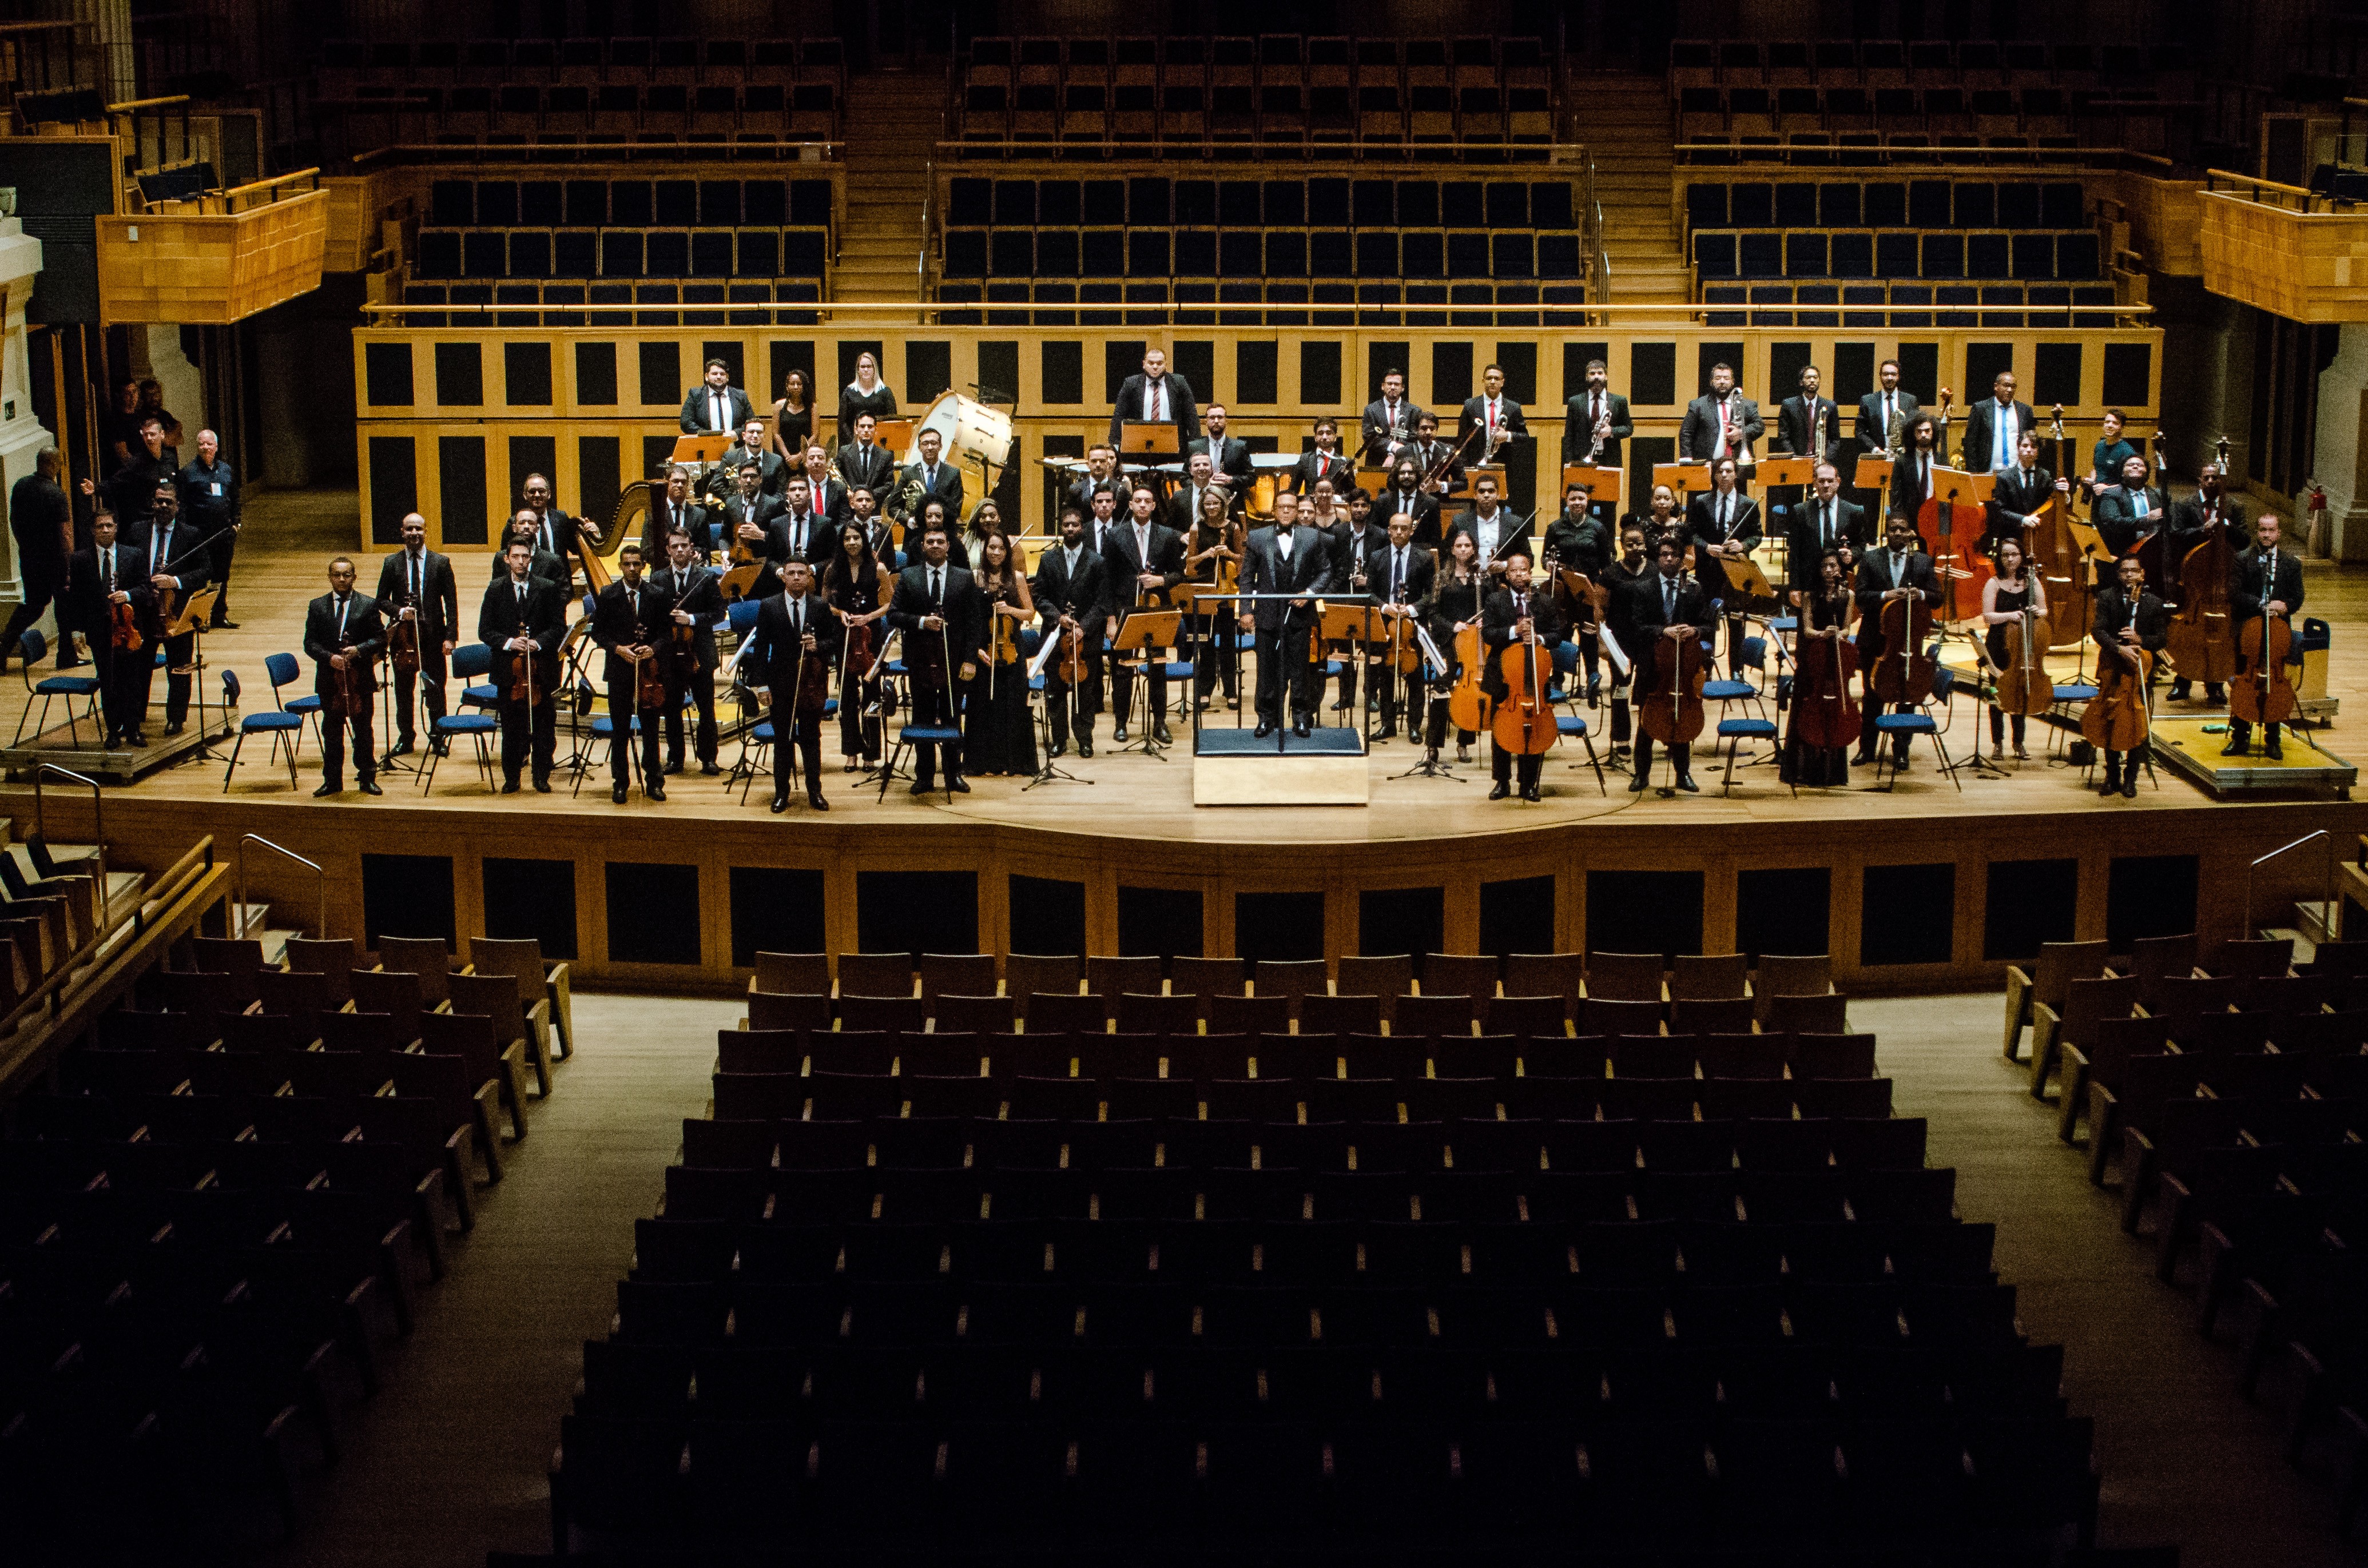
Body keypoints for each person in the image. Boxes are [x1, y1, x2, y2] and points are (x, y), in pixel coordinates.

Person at [887, 522, 982, 794]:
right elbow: (893, 615)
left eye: (940, 542)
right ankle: (925, 776)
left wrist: (970, 660)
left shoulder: (964, 577)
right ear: (922, 546)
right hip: (919, 660)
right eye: (930, 542)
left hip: (954, 661)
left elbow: (974, 624)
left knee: (952, 717)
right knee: (923, 715)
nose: (935, 546)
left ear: (948, 546)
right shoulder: (909, 576)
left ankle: (954, 774)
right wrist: (920, 622)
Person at [1852, 514, 1942, 770]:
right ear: (1886, 532)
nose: (1898, 534)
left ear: (1910, 533)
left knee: (1906, 696)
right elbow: (1860, 597)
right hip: (1875, 642)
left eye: (1903, 529)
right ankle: (1866, 749)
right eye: (1893, 529)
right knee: (1872, 697)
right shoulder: (1870, 559)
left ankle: (1902, 750)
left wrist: (1921, 594)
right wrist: (1886, 595)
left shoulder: (1922, 562)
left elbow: (1938, 598)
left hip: (1908, 643)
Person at [749, 558, 840, 812]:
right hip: (780, 683)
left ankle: (815, 791)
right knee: (783, 739)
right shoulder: (769, 606)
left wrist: (817, 646)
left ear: (809, 577)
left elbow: (834, 640)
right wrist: (761, 685)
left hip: (811, 682)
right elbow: (761, 649)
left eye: (802, 573)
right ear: (784, 577)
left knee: (812, 737)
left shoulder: (821, 606)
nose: (797, 577)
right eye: (792, 573)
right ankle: (781, 793)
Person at [1239, 498, 1332, 738]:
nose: (1288, 510)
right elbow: (1247, 578)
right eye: (1283, 506)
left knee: (1300, 670)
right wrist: (1246, 610)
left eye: (1293, 507)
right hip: (1268, 615)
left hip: (1300, 615)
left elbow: (1326, 571)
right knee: (1266, 670)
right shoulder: (1257, 537)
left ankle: (1301, 718)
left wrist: (1310, 594)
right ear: (1274, 510)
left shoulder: (1312, 537)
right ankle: (1266, 718)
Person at [1102, 483, 1185, 746]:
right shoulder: (1115, 536)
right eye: (1137, 500)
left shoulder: (1168, 535)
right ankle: (1120, 724)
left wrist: (1161, 580)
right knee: (1122, 670)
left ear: (1154, 505)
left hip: (1156, 607)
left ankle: (1160, 723)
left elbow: (1178, 573)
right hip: (1124, 610)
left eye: (1147, 501)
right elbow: (1107, 580)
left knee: (1158, 667)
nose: (1142, 505)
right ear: (1130, 505)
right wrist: (1111, 620)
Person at [479, 536, 565, 792]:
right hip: (509, 672)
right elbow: (485, 631)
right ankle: (512, 778)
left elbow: (558, 627)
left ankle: (541, 777)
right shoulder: (496, 589)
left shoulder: (547, 587)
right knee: (511, 728)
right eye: (515, 556)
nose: (520, 561)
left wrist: (537, 643)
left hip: (541, 671)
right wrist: (509, 643)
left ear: (531, 559)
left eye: (525, 556)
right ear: (507, 559)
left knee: (543, 729)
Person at [1627, 535, 1710, 793]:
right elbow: (1637, 627)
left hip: (1684, 666)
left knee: (1682, 719)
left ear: (1681, 558)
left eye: (1674, 555)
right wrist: (1663, 631)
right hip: (1653, 664)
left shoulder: (1694, 589)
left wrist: (1694, 630)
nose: (1669, 559)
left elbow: (1709, 625)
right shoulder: (1644, 588)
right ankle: (1641, 774)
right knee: (1646, 722)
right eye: (1664, 554)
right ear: (1657, 557)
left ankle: (1682, 774)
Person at [590, 543, 670, 803]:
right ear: (621, 566)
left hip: (649, 672)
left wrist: (654, 648)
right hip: (620, 671)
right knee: (620, 730)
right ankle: (620, 783)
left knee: (650, 730)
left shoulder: (657, 594)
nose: (633, 569)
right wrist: (617, 649)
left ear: (644, 566)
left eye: (637, 564)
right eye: (628, 564)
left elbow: (667, 633)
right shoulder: (608, 594)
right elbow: (598, 634)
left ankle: (655, 782)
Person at [374, 512, 458, 761]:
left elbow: (451, 603)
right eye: (409, 529)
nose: (414, 533)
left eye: (419, 529)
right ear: (402, 532)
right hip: (403, 638)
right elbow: (380, 599)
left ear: (425, 531)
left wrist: (451, 637)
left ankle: (438, 737)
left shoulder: (440, 562)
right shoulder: (392, 563)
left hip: (433, 637)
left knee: (436, 688)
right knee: (403, 690)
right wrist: (400, 611)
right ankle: (406, 738)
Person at [1481, 553, 1564, 802]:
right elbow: (1488, 634)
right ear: (1507, 575)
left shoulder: (1545, 602)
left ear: (1531, 573)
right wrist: (1513, 631)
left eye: (1524, 570)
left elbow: (1558, 635)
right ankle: (1502, 782)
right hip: (1503, 674)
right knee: (1502, 728)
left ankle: (1528, 783)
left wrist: (1538, 638)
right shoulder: (1496, 600)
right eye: (1514, 571)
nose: (1519, 575)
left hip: (1534, 675)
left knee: (1534, 728)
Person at [127, 480, 207, 736]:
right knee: (140, 665)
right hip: (143, 611)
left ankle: (176, 719)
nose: (163, 506)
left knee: (180, 667)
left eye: (168, 502)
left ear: (177, 506)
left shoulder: (191, 534)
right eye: (159, 501)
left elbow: (205, 571)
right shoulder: (136, 531)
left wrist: (175, 581)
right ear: (153, 503)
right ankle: (136, 715)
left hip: (176, 613)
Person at [2224, 512, 2305, 760]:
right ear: (2257, 532)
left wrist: (2285, 606)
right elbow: (2234, 593)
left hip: (2277, 634)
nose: (2267, 535)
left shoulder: (2292, 563)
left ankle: (2273, 739)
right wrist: (2262, 604)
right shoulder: (2242, 559)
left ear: (2279, 533)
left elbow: (2297, 598)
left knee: (2273, 686)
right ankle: (2239, 738)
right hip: (2247, 630)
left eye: (2271, 530)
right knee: (2243, 684)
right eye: (2262, 530)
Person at [2165, 462, 2244, 703]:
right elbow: (2176, 534)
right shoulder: (2184, 504)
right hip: (2192, 579)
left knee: (2221, 632)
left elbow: (2245, 541)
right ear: (2200, 480)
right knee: (2187, 634)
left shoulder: (2234, 507)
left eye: (2215, 478)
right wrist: (2203, 529)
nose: (2211, 482)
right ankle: (2182, 682)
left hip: (2221, 583)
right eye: (2206, 478)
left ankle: (2216, 684)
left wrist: (2225, 526)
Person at [1035, 505, 1109, 758]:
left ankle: (1085, 739)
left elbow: (1103, 602)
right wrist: (1059, 618)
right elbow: (1040, 596)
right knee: (1055, 692)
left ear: (1082, 528)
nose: (1070, 529)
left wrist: (1083, 627)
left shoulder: (1097, 561)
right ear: (1061, 529)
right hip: (1056, 637)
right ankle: (1059, 740)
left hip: (1086, 638)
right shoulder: (1048, 559)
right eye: (1066, 525)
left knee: (1085, 693)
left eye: (1075, 525)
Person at [2091, 552, 2167, 798]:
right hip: (2113, 667)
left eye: (2134, 571)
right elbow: (2098, 631)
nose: (2130, 575)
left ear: (2142, 573)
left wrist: (2141, 640)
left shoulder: (2154, 603)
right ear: (2119, 574)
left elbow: (2162, 638)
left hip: (2140, 672)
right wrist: (2119, 647)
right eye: (2125, 571)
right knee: (2110, 720)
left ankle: (2131, 778)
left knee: (2136, 724)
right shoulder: (2107, 597)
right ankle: (2111, 775)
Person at [966, 527, 1038, 777]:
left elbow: (1030, 613)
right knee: (983, 706)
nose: (996, 552)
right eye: (991, 548)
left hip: (1011, 650)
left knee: (1014, 706)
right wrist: (974, 650)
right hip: (983, 649)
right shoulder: (974, 577)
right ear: (984, 551)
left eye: (1001, 548)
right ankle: (983, 763)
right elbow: (967, 620)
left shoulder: (1017, 578)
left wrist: (1009, 610)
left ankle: (1015, 762)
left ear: (1007, 552)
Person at [1781, 548, 1857, 788]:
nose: (1828, 570)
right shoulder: (1809, 596)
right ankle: (1802, 770)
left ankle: (1833, 773)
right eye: (1824, 566)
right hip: (1813, 658)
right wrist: (1823, 634)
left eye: (1833, 566)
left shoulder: (1849, 595)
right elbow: (1807, 630)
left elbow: (1847, 629)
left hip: (1835, 660)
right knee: (1807, 709)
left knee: (1836, 709)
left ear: (1839, 568)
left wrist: (1838, 634)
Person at [820, 520, 892, 769]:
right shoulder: (833, 569)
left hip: (871, 634)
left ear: (864, 540)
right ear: (842, 542)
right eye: (847, 538)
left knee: (872, 694)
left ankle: (871, 754)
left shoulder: (878, 568)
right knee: (848, 696)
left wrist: (869, 617)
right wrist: (839, 612)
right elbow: (824, 603)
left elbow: (890, 603)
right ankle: (851, 752)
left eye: (856, 538)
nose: (852, 543)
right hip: (845, 635)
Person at [67, 510, 142, 745]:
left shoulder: (134, 555)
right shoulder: (80, 560)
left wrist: (128, 594)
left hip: (128, 630)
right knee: (108, 681)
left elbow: (146, 588)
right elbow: (76, 599)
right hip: (99, 632)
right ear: (93, 530)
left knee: (131, 680)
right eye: (100, 526)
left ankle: (133, 729)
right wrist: (77, 630)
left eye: (109, 525)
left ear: (117, 528)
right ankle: (112, 731)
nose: (106, 530)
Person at [1684, 456, 1761, 675]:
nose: (1725, 475)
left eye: (1729, 471)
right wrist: (1706, 547)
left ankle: (1736, 672)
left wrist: (1743, 545)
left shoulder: (1749, 504)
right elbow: (1692, 533)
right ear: (1715, 475)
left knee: (1737, 624)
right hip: (1708, 571)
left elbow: (1757, 535)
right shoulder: (1701, 502)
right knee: (1708, 623)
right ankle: (1705, 671)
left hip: (1736, 572)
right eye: (1721, 471)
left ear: (1736, 474)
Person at [657, 530, 723, 777]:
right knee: (672, 707)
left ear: (691, 547)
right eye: (675, 547)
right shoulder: (658, 578)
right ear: (668, 550)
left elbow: (719, 613)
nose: (680, 551)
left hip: (700, 652)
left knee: (706, 707)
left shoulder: (705, 578)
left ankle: (708, 758)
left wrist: (692, 619)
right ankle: (676, 758)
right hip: (671, 654)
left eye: (684, 545)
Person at [1977, 538, 2049, 761]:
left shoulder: (2032, 580)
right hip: (1999, 643)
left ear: (2022, 556)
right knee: (1996, 692)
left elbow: (2044, 610)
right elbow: (1988, 616)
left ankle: (2019, 743)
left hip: (2023, 644)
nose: (2010, 559)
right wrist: (2010, 616)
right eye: (2005, 555)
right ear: (1999, 558)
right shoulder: (1993, 583)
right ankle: (1997, 744)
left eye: (2014, 554)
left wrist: (2037, 611)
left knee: (2021, 690)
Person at [3, 447, 73, 675]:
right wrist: (71, 564)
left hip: (30, 556)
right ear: (56, 465)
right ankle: (66, 655)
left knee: (33, 606)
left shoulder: (21, 486)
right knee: (64, 607)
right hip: (54, 559)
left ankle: (3, 647)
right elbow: (64, 533)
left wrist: (24, 544)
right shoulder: (56, 494)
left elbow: (13, 520)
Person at [1421, 527, 1486, 765]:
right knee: (1441, 691)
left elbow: (1491, 607)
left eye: (1468, 546)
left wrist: (1484, 620)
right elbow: (1433, 613)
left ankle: (1464, 743)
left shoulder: (1482, 578)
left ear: (1474, 549)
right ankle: (1433, 747)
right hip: (1449, 641)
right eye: (1459, 546)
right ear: (1452, 549)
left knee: (1472, 691)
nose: (1463, 550)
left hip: (1474, 643)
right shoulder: (1441, 577)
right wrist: (1452, 626)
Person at [1368, 511, 1433, 743]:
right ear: (1388, 529)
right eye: (1394, 528)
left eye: (1404, 529)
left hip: (1412, 625)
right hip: (1385, 623)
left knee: (1415, 678)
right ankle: (1388, 724)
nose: (1398, 532)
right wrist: (1385, 607)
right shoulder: (1377, 557)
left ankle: (1415, 725)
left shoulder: (1424, 558)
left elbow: (1431, 594)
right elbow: (1370, 593)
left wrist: (1412, 609)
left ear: (1411, 531)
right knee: (1385, 676)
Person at [1183, 484, 1242, 713]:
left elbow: (1242, 560)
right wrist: (1206, 555)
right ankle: (1205, 690)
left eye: (1215, 503)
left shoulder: (1233, 527)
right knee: (1206, 643)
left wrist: (1227, 554)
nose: (1211, 507)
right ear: (1202, 505)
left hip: (1225, 590)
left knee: (1228, 643)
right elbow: (1189, 565)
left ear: (1223, 504)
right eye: (1208, 503)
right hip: (1205, 588)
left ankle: (1231, 691)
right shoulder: (1196, 528)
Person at [178, 428, 240, 629]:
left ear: (216, 447)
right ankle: (200, 617)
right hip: (200, 536)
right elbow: (183, 505)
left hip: (224, 534)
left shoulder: (226, 470)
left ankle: (219, 615)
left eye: (209, 444)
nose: (205, 448)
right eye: (201, 444)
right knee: (201, 577)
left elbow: (235, 498)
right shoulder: (188, 473)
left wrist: (236, 523)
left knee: (222, 575)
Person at [1599, 524, 1651, 761]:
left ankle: (1648, 735)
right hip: (1620, 642)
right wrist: (1602, 642)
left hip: (1648, 640)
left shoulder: (1655, 569)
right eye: (1630, 544)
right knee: (1621, 690)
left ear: (1645, 544)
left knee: (1649, 690)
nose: (1635, 548)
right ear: (1622, 547)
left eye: (1639, 543)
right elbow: (1599, 607)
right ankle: (1621, 741)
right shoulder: (1610, 574)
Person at [1789, 462, 1869, 598]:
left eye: (1830, 481)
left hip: (1841, 581)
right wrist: (1794, 587)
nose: (1826, 485)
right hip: (1810, 583)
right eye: (1821, 481)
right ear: (1814, 482)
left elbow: (1861, 546)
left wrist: (1851, 555)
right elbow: (1795, 553)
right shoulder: (1801, 511)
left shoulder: (1854, 512)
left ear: (1838, 482)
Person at [2092, 452, 2170, 592]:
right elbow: (2113, 522)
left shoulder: (2159, 494)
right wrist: (2146, 520)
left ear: (2147, 472)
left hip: (2151, 558)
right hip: (2120, 556)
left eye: (2140, 465)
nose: (2135, 466)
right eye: (2130, 465)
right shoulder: (2111, 494)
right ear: (2122, 473)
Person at [1985, 430, 2069, 558]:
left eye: (2034, 447)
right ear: (2018, 449)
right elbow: (2000, 511)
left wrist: (2065, 495)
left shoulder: (2045, 476)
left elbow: (2055, 505)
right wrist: (2023, 519)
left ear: (2038, 452)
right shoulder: (2004, 478)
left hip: (2039, 539)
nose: (2029, 450)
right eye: (2025, 446)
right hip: (2011, 538)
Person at [1107, 346, 1197, 448]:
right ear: (1144, 364)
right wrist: (1114, 446)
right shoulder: (1131, 384)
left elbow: (1191, 416)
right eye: (1151, 363)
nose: (1155, 367)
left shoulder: (1179, 383)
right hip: (1139, 445)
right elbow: (1119, 416)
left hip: (1172, 445)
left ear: (1166, 365)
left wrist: (1196, 446)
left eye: (1159, 363)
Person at [1445, 472, 1530, 580]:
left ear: (1498, 495)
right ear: (1475, 495)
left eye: (1491, 491)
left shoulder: (1515, 523)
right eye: (1481, 491)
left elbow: (1528, 559)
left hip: (1502, 582)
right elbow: (1447, 554)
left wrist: (1505, 565)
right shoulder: (1460, 521)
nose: (1486, 495)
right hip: (1468, 582)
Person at [1679, 361, 1762, 464]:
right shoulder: (1698, 405)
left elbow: (1759, 426)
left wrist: (1742, 433)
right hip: (1707, 465)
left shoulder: (1746, 405)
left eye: (1726, 378)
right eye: (1718, 378)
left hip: (1738, 465)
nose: (1722, 381)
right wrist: (1688, 462)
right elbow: (1686, 433)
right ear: (1711, 382)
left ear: (1732, 382)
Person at [105, 415, 177, 532]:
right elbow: (116, 482)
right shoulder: (136, 463)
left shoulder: (171, 459)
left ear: (162, 435)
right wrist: (96, 489)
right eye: (146, 435)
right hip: (147, 520)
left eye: (153, 434)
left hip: (169, 519)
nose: (149, 438)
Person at [1562, 357, 1632, 474]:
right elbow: (1569, 435)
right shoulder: (1575, 402)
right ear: (1587, 377)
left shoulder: (1619, 401)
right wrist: (1569, 464)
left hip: (1610, 460)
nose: (1596, 377)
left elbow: (1629, 428)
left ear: (1606, 376)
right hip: (1582, 460)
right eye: (1592, 374)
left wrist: (1611, 431)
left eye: (1600, 373)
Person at [1962, 370, 2034, 476]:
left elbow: (2032, 443)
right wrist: (1974, 474)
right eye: (2006, 386)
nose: (2010, 390)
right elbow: (1970, 444)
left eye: (2013, 387)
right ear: (1996, 386)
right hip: (1988, 471)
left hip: (2017, 473)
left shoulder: (2025, 411)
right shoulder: (1981, 409)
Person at [1775, 363, 1844, 472]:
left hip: (1822, 462)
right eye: (1808, 378)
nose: (1812, 380)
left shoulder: (1830, 406)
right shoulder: (1789, 405)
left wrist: (1824, 459)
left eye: (1815, 377)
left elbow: (1835, 439)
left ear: (1819, 381)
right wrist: (1795, 457)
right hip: (1797, 460)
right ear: (1801, 382)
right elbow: (1784, 436)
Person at [1460, 363, 1529, 467]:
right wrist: (1464, 470)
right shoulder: (1470, 405)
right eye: (1489, 378)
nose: (1492, 382)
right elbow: (1462, 440)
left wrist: (1507, 436)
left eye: (1496, 379)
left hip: (1505, 465)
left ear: (1502, 382)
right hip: (1475, 464)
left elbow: (1525, 437)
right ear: (1483, 381)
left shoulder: (1514, 408)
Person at [518, 472, 589, 574]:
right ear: (525, 495)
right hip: (530, 584)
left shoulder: (561, 518)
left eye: (541, 491)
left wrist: (593, 534)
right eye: (532, 491)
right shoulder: (516, 522)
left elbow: (576, 549)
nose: (537, 495)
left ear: (549, 494)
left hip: (559, 583)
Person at [705, 418, 786, 505]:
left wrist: (767, 506)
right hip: (737, 512)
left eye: (759, 432)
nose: (755, 436)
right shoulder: (730, 458)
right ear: (744, 435)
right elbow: (717, 484)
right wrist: (734, 503)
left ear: (764, 436)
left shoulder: (776, 460)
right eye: (751, 432)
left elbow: (781, 491)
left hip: (767, 512)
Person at [640, 465, 713, 559]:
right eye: (675, 481)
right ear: (667, 483)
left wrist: (697, 552)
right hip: (663, 570)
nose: (680, 485)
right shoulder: (655, 513)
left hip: (691, 570)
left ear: (688, 485)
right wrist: (672, 561)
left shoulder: (700, 515)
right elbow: (646, 549)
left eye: (683, 482)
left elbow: (705, 548)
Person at [899, 427, 964, 531]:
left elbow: (956, 508)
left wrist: (935, 520)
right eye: (925, 443)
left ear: (940, 446)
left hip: (943, 533)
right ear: (919, 447)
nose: (930, 447)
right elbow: (893, 507)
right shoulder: (908, 473)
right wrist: (907, 520)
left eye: (934, 443)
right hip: (915, 533)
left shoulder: (953, 473)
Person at [1856, 358, 1922, 457]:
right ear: (1881, 376)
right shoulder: (1868, 401)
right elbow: (1860, 431)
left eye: (1893, 374)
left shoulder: (1910, 400)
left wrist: (1907, 448)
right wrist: (1875, 449)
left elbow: (1917, 428)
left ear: (1898, 377)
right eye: (1886, 374)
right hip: (1877, 456)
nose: (1890, 378)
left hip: (1904, 457)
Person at [1361, 368, 1425, 467]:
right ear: (1383, 386)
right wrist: (1393, 447)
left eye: (1397, 384)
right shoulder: (1371, 410)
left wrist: (1395, 454)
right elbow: (1369, 437)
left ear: (1403, 388)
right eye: (1389, 384)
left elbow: (1414, 438)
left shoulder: (1414, 411)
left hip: (1405, 463)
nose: (1393, 387)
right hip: (1377, 463)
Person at [680, 357, 754, 436]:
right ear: (706, 376)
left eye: (722, 374)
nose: (719, 377)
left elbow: (752, 422)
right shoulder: (696, 395)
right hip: (706, 444)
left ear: (727, 377)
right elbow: (686, 423)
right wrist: (709, 436)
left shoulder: (740, 395)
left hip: (735, 445)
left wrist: (737, 433)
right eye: (714, 374)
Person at [837, 351, 897, 448]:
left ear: (875, 369)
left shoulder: (886, 392)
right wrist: (855, 442)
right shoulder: (849, 392)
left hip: (880, 447)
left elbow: (892, 422)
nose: (866, 370)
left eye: (869, 367)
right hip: (854, 446)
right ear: (858, 370)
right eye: (863, 367)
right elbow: (842, 423)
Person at [1889, 412, 1944, 517]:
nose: (1923, 435)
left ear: (1934, 432)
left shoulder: (1943, 460)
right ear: (1912, 434)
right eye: (1919, 431)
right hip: (1910, 520)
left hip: (1936, 518)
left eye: (1927, 431)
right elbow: (1896, 495)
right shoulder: (1902, 461)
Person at [834, 411, 897, 500]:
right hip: (850, 508)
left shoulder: (886, 456)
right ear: (856, 430)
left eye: (870, 427)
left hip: (875, 506)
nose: (866, 430)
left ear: (875, 430)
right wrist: (847, 492)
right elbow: (837, 480)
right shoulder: (845, 452)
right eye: (862, 426)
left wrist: (868, 496)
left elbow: (889, 485)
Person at [1380, 457, 1441, 547]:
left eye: (1411, 473)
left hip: (1419, 556)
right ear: (1396, 476)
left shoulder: (1431, 503)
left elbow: (1435, 538)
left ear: (1418, 476)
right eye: (1402, 473)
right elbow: (1377, 532)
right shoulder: (1383, 501)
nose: (1406, 476)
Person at [1189, 403, 1251, 489]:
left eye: (1220, 417)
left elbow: (1251, 478)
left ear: (1226, 420)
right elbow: (1184, 479)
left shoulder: (1239, 447)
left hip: (1232, 498)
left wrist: (1231, 480)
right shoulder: (1194, 447)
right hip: (1203, 500)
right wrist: (1204, 483)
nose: (1216, 421)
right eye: (1212, 418)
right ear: (1206, 421)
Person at [1290, 417, 1354, 497]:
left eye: (1329, 433)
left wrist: (1337, 498)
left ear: (1335, 437)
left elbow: (1352, 494)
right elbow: (1293, 491)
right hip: (1312, 507)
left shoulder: (1345, 463)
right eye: (1320, 433)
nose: (1324, 437)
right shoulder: (1305, 459)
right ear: (1315, 438)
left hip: (1335, 507)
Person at [776, 475, 831, 567]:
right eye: (793, 490)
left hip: (815, 578)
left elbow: (832, 557)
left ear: (809, 495)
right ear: (788, 495)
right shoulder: (777, 524)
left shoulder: (825, 524)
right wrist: (780, 571)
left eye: (802, 489)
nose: (797, 493)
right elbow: (771, 559)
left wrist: (814, 569)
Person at [1169, 451, 1224, 535]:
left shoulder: (1224, 494)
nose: (1201, 468)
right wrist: (1181, 536)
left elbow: (1235, 525)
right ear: (1190, 470)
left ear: (1212, 470)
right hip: (1187, 544)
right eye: (1197, 465)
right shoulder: (1178, 497)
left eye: (1205, 465)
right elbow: (1169, 527)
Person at [2088, 408, 2137, 499]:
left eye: (2115, 423)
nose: (2110, 425)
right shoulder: (2099, 446)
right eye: (2107, 422)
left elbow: (2132, 484)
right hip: (2098, 497)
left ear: (2121, 427)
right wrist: (2092, 480)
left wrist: (2108, 489)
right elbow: (2097, 468)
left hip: (2116, 500)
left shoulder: (2127, 452)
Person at [1622, 483, 1684, 554]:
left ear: (1673, 502)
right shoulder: (1643, 527)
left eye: (1667, 499)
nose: (1662, 502)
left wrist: (1674, 547)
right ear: (1652, 501)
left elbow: (1691, 561)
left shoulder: (1682, 527)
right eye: (1658, 498)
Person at [1065, 444, 1123, 519]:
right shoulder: (1075, 490)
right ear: (1088, 464)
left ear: (1108, 463)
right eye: (1094, 461)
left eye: (1102, 461)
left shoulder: (1120, 490)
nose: (1098, 465)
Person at [801, 443, 851, 528]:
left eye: (820, 458)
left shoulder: (840, 488)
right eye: (811, 458)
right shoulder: (799, 488)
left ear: (828, 462)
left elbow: (844, 520)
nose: (816, 461)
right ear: (805, 463)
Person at [769, 368, 813, 460]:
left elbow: (815, 435)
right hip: (783, 455)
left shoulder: (812, 407)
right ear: (787, 386)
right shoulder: (779, 405)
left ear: (804, 386)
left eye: (799, 384)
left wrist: (800, 456)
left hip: (805, 456)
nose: (796, 387)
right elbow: (776, 434)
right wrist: (788, 457)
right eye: (792, 384)